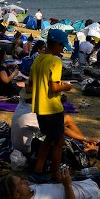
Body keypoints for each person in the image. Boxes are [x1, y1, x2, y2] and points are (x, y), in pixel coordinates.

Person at [27, 29, 74, 182]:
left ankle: (38, 169)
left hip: (40, 107)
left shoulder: (38, 59)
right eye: (62, 46)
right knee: (59, 142)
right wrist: (66, 87)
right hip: (53, 108)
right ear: (55, 44)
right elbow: (54, 88)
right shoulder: (55, 61)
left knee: (48, 138)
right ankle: (56, 175)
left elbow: (30, 85)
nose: (62, 50)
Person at [11, 89, 98, 155]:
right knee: (60, 134)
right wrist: (86, 138)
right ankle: (85, 145)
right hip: (27, 149)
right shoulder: (32, 113)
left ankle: (85, 143)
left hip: (18, 143)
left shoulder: (22, 104)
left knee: (67, 119)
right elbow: (60, 128)